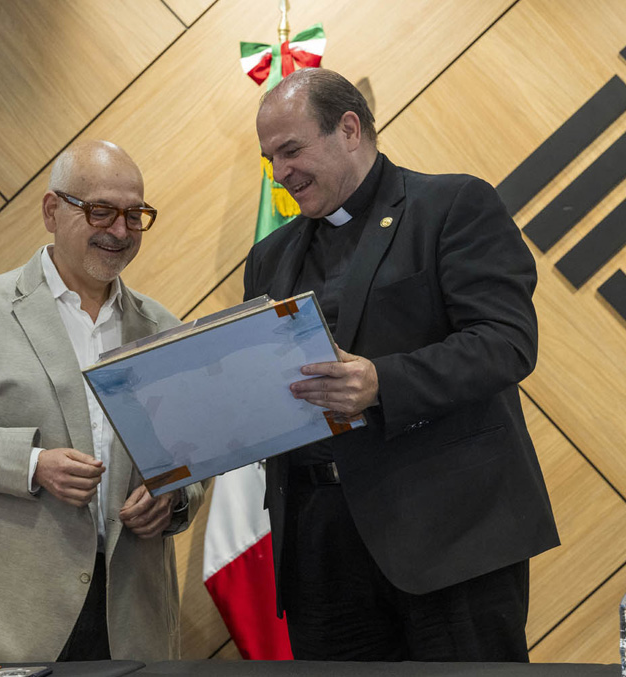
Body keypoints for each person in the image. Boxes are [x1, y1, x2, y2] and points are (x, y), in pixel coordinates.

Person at [245, 68, 559, 662]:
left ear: (349, 129)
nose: (280, 173)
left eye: (291, 150)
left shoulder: (452, 205)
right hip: (320, 552)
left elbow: (506, 342)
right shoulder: (268, 256)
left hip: (447, 538)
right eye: (270, 158)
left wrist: (382, 382)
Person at [0, 140, 205, 662]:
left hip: (127, 617)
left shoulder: (162, 329)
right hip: (0, 612)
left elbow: (191, 459)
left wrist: (174, 500)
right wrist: (33, 464)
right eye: (101, 211)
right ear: (51, 211)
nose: (120, 231)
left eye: (135, 216)